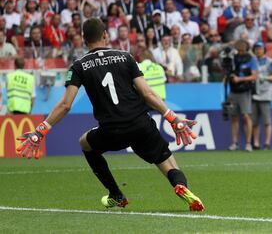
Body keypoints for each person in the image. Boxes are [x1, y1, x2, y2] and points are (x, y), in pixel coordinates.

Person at [15, 18, 205, 211]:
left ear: (83, 38)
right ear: (105, 35)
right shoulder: (126, 57)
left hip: (112, 130)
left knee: (84, 143)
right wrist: (173, 118)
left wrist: (40, 132)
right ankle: (180, 186)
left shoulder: (79, 66)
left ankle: (116, 194)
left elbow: (65, 105)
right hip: (140, 124)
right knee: (168, 163)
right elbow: (147, 94)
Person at [227, 39, 257, 152]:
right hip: (233, 91)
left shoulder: (251, 59)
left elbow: (254, 76)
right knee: (234, 117)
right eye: (238, 48)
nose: (240, 50)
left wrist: (239, 79)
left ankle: (248, 143)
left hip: (245, 91)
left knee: (246, 116)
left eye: (242, 48)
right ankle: (234, 143)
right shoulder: (233, 59)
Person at [251, 41, 272, 150]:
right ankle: (256, 143)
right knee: (255, 121)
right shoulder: (252, 61)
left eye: (260, 48)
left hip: (266, 93)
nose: (258, 50)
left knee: (267, 121)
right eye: (256, 48)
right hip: (254, 93)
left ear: (264, 50)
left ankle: (267, 143)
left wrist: (264, 78)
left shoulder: (270, 62)